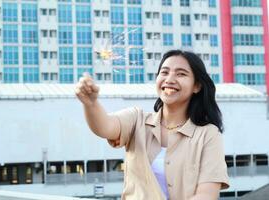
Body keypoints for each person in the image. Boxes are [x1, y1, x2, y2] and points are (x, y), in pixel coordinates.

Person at [75, 50, 229, 200]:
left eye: (181, 74)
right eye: (164, 72)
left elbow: (207, 194)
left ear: (197, 86)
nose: (169, 79)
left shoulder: (208, 134)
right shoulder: (137, 120)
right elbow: (105, 127)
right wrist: (91, 104)